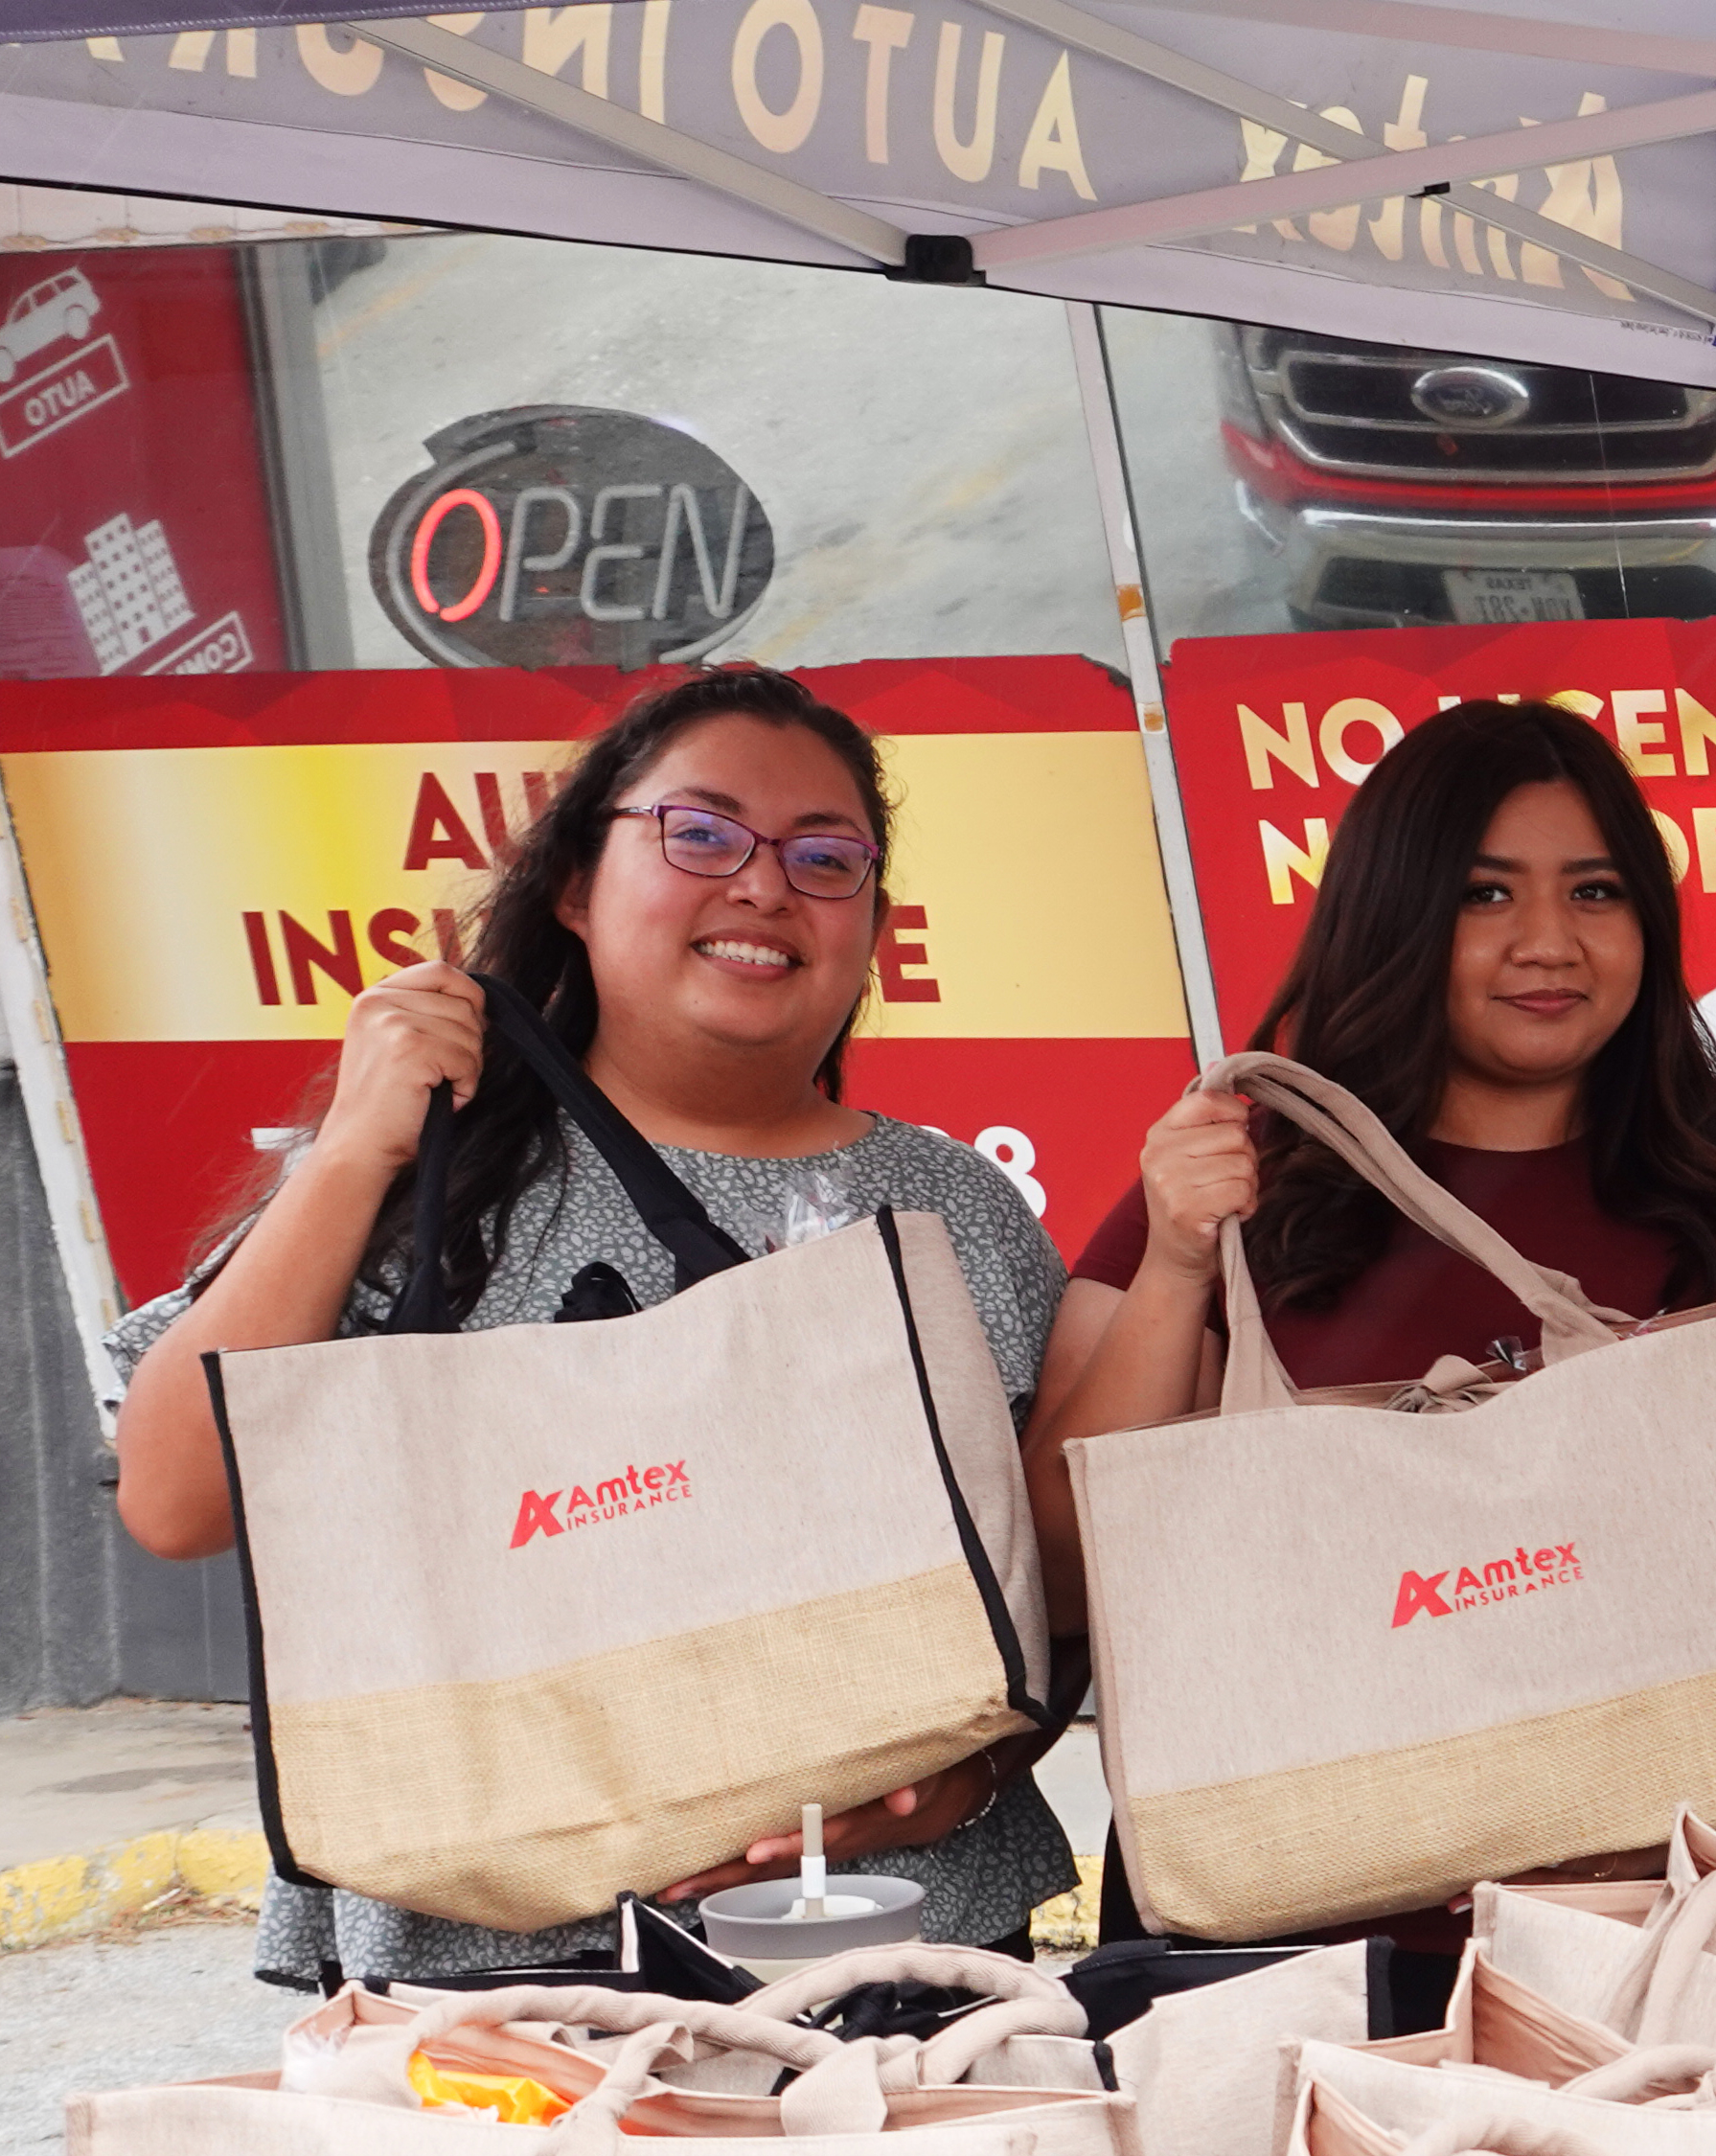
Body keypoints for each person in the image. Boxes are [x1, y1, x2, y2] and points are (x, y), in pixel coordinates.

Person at [109, 665, 1078, 1987]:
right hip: (491, 1984)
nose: (762, 885)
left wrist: (964, 1783)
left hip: (904, 1942)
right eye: (701, 831)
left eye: (825, 855)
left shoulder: (952, 1208)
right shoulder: (436, 1172)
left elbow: (1049, 1600)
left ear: (871, 923)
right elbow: (175, 1497)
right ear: (575, 885)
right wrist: (351, 1155)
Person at [1026, 698, 1716, 1979]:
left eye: (1594, 891)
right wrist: (1179, 1260)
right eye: (1483, 895)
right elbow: (1069, 1572)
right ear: (1395, 912)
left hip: (1653, 1935)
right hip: (1279, 1946)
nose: (1548, 943)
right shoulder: (1237, 1190)